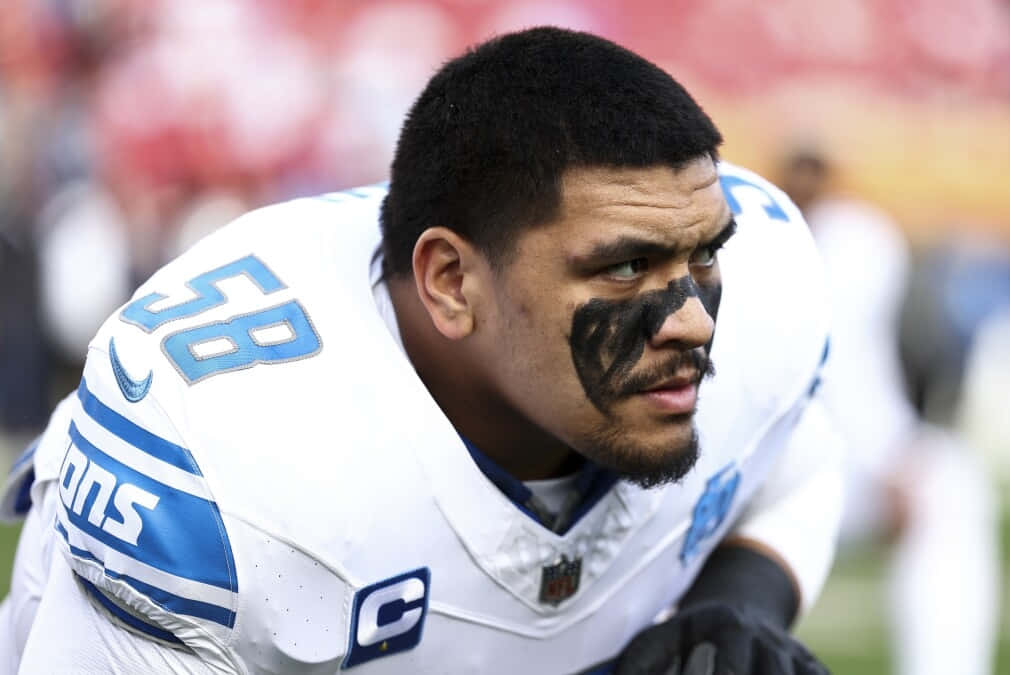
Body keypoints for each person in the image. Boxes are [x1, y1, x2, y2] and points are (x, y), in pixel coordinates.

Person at [0, 28, 844, 674]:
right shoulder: (225, 452)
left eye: (703, 254)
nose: (694, 320)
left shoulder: (768, 284)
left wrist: (745, 601)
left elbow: (792, 456)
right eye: (624, 268)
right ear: (450, 282)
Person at [779, 148, 999, 675]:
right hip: (779, 471)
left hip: (823, 463)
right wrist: (886, 465)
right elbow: (839, 364)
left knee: (950, 481)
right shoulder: (828, 240)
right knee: (947, 489)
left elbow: (855, 369)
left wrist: (890, 459)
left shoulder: (842, 236)